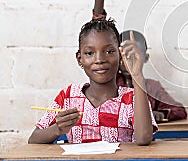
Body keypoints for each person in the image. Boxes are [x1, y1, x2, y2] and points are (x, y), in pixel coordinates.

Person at [28, 19, 158, 144]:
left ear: (120, 56)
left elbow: (144, 138)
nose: (100, 59)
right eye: (90, 53)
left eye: (109, 51)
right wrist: (58, 129)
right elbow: (34, 138)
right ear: (80, 59)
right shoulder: (68, 96)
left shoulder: (133, 98)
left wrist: (137, 75)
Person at [92, 0, 187, 123]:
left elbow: (180, 111)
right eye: (123, 55)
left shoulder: (151, 87)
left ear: (145, 57)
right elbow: (97, 34)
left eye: (134, 55)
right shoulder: (110, 82)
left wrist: (161, 114)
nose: (128, 61)